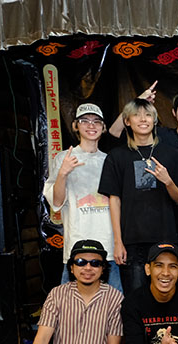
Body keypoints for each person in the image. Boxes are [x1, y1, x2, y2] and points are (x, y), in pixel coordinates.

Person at [109, 86, 178, 291]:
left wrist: (168, 180)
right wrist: (139, 101)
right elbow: (115, 132)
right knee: (139, 290)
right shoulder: (161, 136)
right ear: (173, 112)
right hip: (143, 230)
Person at [98, 99, 178, 295]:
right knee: (136, 297)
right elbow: (114, 200)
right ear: (127, 121)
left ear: (155, 120)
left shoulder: (171, 154)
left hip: (165, 238)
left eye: (148, 115)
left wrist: (168, 181)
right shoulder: (116, 156)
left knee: (166, 294)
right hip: (132, 241)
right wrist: (118, 242)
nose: (143, 119)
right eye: (137, 115)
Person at [43, 103, 122, 291]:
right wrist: (63, 173)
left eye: (96, 121)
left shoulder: (110, 159)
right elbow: (56, 203)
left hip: (108, 246)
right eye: (84, 121)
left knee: (114, 303)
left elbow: (117, 202)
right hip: (76, 246)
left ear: (103, 127)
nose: (91, 125)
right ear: (75, 126)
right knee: (71, 304)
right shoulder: (64, 158)